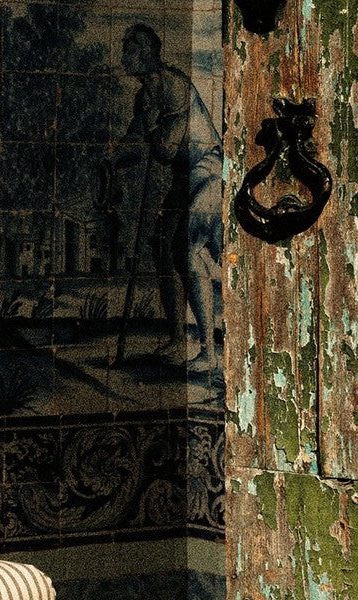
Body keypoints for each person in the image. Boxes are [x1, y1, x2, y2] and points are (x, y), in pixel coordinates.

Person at [107, 23, 223, 365]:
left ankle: (208, 351)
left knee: (187, 251)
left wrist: (153, 129)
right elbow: (134, 141)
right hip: (185, 177)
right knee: (163, 247)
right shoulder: (145, 96)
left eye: (130, 48)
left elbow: (166, 148)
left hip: (209, 170)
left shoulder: (174, 86)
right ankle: (176, 340)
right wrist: (111, 159)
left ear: (148, 53)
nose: (124, 55)